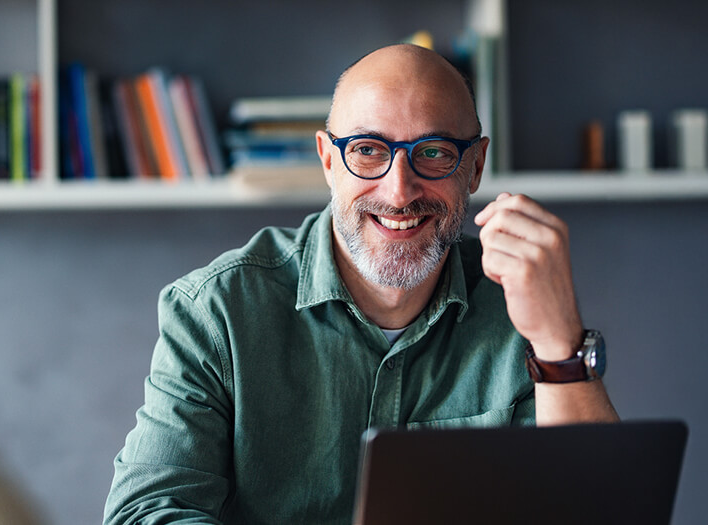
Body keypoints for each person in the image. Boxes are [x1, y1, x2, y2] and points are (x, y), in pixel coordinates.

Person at [104, 44, 618, 524]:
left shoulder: (519, 298)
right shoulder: (216, 312)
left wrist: (560, 345)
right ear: (328, 161)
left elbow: (598, 510)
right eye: (369, 150)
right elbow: (145, 512)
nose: (399, 191)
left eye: (434, 152)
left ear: (475, 165)